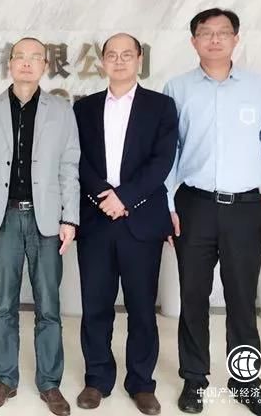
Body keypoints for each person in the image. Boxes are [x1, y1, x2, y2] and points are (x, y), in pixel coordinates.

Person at [164, 8, 261, 416]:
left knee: (241, 300)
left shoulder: (260, 88)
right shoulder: (177, 88)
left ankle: (246, 383)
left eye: (222, 32)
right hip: (194, 206)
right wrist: (166, 205)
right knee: (193, 297)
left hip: (246, 209)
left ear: (236, 38)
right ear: (193, 41)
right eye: (205, 33)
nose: (214, 39)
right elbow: (169, 153)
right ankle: (194, 380)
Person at [0, 37, 79, 415]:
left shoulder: (61, 110)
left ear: (45, 65)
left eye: (35, 58)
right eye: (20, 57)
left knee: (49, 305)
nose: (27, 63)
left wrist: (70, 218)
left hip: (46, 219)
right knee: (4, 304)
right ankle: (5, 378)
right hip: (4, 217)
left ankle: (50, 383)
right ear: (10, 64)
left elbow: (69, 167)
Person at [73, 33, 178, 415]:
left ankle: (141, 383)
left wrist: (125, 197)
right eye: (112, 55)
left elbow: (161, 160)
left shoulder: (161, 106)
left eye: (127, 55)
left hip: (141, 220)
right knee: (95, 305)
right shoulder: (83, 108)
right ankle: (97, 379)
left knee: (142, 307)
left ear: (139, 60)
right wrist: (105, 195)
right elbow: (77, 159)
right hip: (97, 219)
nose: (119, 61)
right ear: (102, 62)